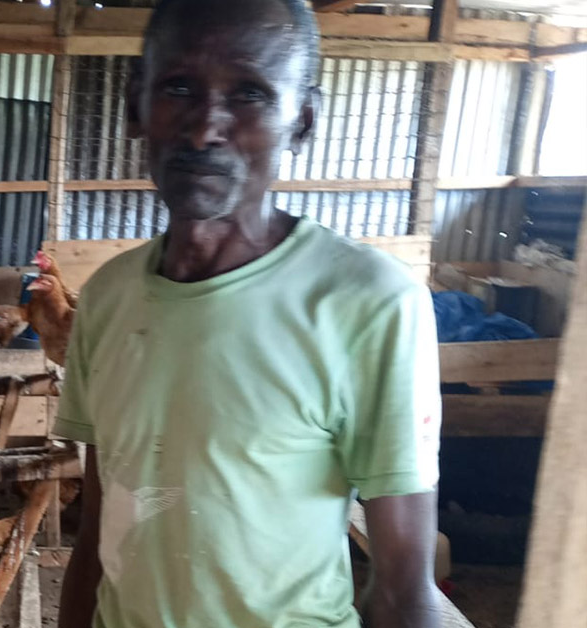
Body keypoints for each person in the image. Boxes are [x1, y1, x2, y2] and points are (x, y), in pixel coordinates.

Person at [53, 0, 443, 626]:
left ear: (304, 119)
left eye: (250, 94)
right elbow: (99, 539)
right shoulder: (108, 297)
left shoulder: (369, 305)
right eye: (178, 87)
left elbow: (403, 591)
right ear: (135, 107)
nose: (206, 127)